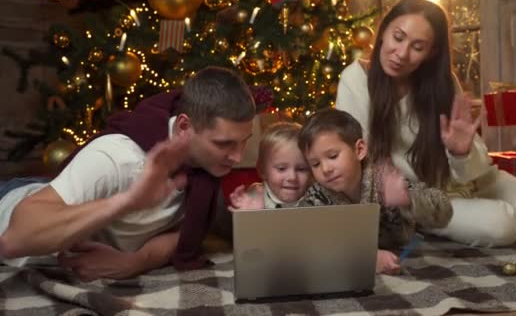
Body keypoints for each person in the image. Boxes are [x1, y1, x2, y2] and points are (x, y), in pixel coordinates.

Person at [335, 0, 516, 247]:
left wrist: (461, 150)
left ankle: (485, 219)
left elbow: (475, 163)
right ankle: (460, 221)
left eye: (417, 47)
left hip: (473, 180)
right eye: (398, 37)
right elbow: (358, 160)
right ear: (384, 30)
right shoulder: (355, 80)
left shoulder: (442, 83)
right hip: (422, 199)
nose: (401, 53)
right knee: (502, 224)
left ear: (431, 53)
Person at [0, 66, 256, 280]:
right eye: (224, 144)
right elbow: (15, 240)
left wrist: (137, 261)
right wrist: (127, 201)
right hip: (13, 204)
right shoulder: (115, 158)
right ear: (185, 126)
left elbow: (185, 234)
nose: (237, 157)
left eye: (244, 141)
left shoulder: (206, 169)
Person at [295, 108, 453, 274]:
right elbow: (305, 241)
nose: (325, 169)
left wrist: (408, 200)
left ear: (360, 150)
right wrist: (367, 258)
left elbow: (444, 214)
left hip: (402, 253)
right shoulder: (317, 196)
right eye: (315, 164)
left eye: (333, 156)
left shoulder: (385, 181)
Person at [230, 122, 312, 210]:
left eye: (301, 169)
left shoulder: (317, 196)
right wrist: (247, 212)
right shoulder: (253, 199)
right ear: (262, 170)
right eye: (281, 169)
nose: (292, 177)